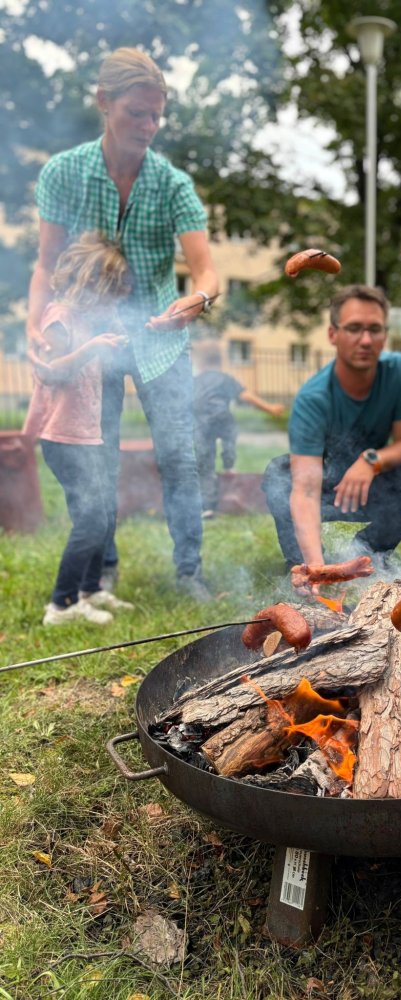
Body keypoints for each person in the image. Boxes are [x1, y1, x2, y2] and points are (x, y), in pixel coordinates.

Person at [27, 47, 219, 602]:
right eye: (137, 112)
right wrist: (38, 326)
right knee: (99, 458)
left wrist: (198, 298)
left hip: (161, 337)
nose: (149, 126)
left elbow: (205, 268)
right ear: (104, 103)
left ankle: (189, 571)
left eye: (157, 115)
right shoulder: (64, 173)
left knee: (180, 456)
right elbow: (45, 266)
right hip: (94, 345)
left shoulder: (173, 184)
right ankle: (100, 573)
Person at [262, 284, 401, 578]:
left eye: (375, 329)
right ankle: (304, 565)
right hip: (325, 489)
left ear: (385, 334)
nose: (366, 340)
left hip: (371, 487)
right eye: (354, 328)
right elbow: (305, 491)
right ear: (333, 334)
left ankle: (366, 554)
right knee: (279, 473)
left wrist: (371, 461)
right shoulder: (313, 398)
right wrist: (318, 567)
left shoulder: (399, 373)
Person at [23, 233, 136, 625]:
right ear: (92, 283)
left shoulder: (90, 321)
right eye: (112, 289)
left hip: (88, 436)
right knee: (89, 520)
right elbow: (50, 373)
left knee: (104, 514)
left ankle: (90, 591)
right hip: (64, 439)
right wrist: (92, 347)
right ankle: (60, 605)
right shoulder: (59, 318)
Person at [193, 342, 284, 517]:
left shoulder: (195, 381)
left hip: (202, 424)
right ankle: (229, 463)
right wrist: (269, 408)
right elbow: (246, 396)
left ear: (201, 363)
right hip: (222, 419)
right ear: (219, 361)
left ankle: (208, 507)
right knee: (230, 435)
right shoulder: (225, 378)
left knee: (206, 464)